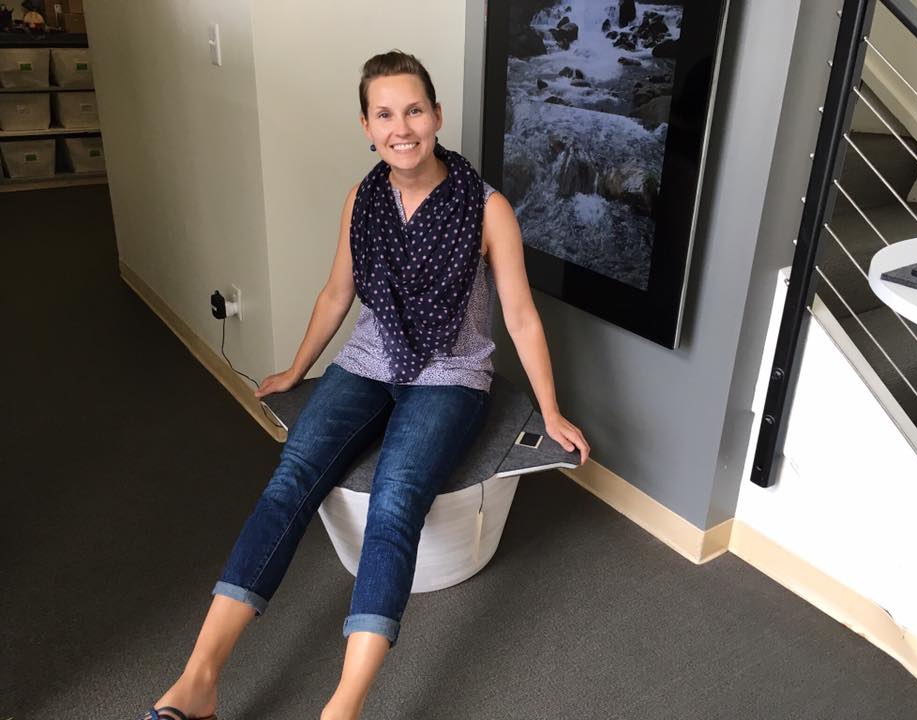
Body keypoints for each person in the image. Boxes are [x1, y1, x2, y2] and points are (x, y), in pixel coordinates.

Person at [141, 50, 590, 720]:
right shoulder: (364, 198)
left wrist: (549, 410)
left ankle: (343, 708)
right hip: (366, 363)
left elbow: (521, 316)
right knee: (289, 482)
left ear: (437, 116)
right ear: (366, 126)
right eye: (384, 114)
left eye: (414, 110)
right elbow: (336, 294)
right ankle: (198, 681)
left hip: (450, 375)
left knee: (394, 502)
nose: (400, 127)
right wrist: (297, 369)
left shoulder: (487, 208)